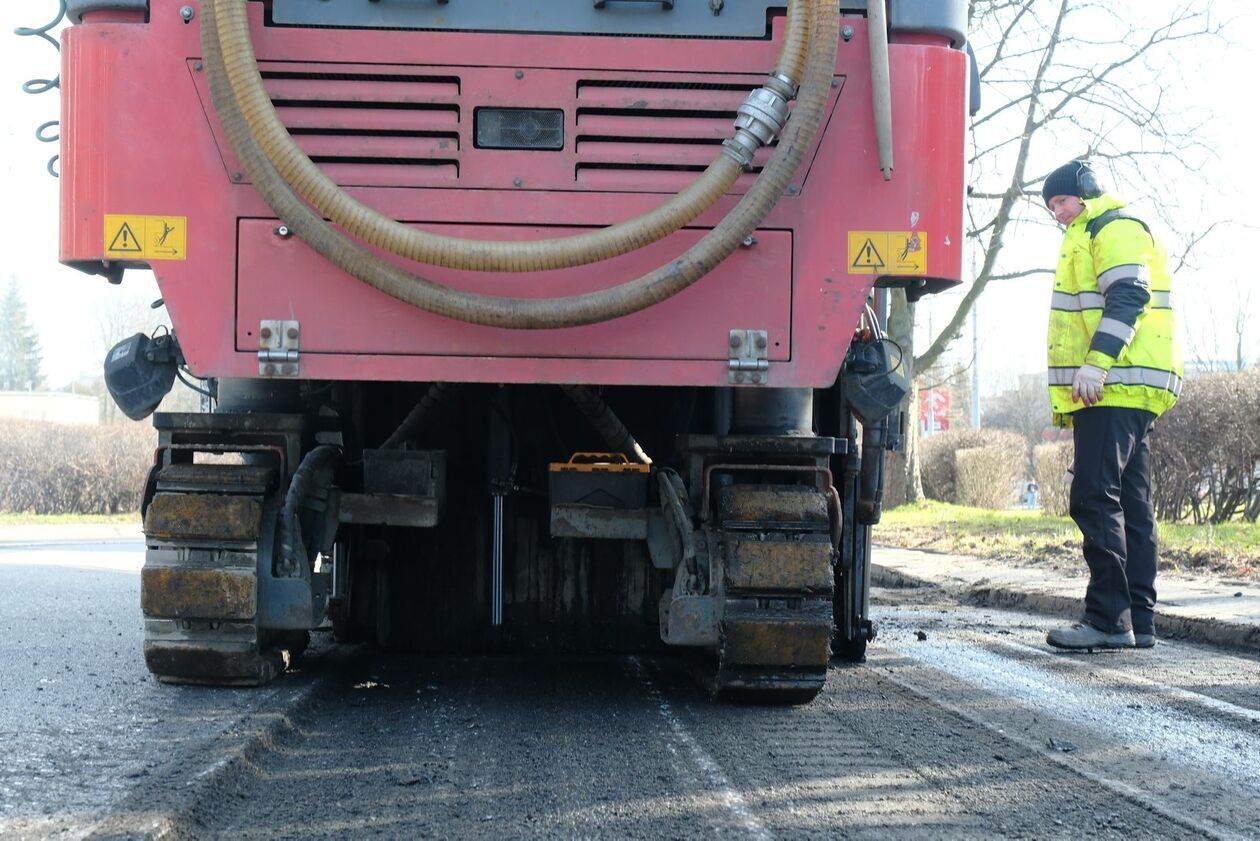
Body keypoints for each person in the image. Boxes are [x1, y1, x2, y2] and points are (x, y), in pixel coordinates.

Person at [1038, 159, 1184, 651]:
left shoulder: (1111, 226)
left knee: (1093, 495)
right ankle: (1139, 621)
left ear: (1084, 190)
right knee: (1132, 502)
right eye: (1051, 206)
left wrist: (1097, 364)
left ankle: (1108, 619)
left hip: (1112, 385)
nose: (1057, 212)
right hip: (1128, 385)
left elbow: (1129, 296)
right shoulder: (1096, 230)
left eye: (1060, 201)